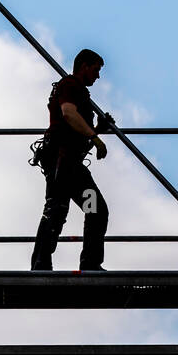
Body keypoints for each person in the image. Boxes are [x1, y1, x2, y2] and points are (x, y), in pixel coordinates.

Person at [30, 49, 110, 271]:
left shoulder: (77, 90)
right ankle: (47, 263)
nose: (98, 76)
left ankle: (47, 263)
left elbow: (73, 127)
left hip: (67, 163)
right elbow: (68, 113)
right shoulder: (70, 85)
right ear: (84, 66)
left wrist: (96, 130)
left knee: (83, 208)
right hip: (63, 162)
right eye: (96, 70)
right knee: (63, 209)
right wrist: (95, 137)